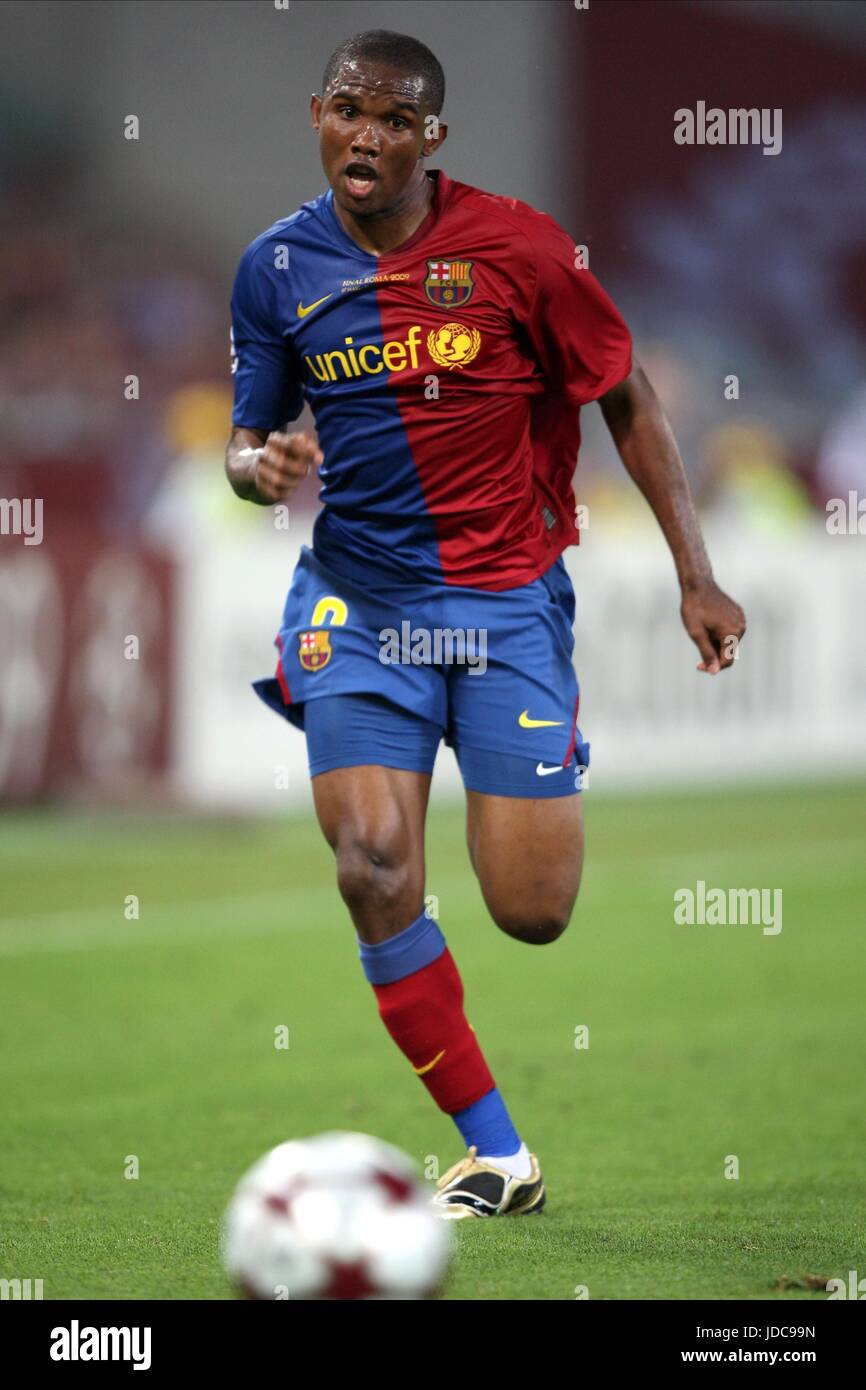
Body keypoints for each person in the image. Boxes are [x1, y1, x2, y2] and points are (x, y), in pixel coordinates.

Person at [225, 29, 746, 1220]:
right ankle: (497, 1154)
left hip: (503, 602)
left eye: (396, 119)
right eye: (350, 110)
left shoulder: (519, 247)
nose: (369, 133)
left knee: (532, 912)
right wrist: (260, 467)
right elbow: (245, 440)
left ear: (431, 140)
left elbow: (625, 392)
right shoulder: (273, 268)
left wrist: (694, 574)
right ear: (318, 114)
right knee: (369, 864)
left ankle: (535, 756)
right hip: (354, 603)